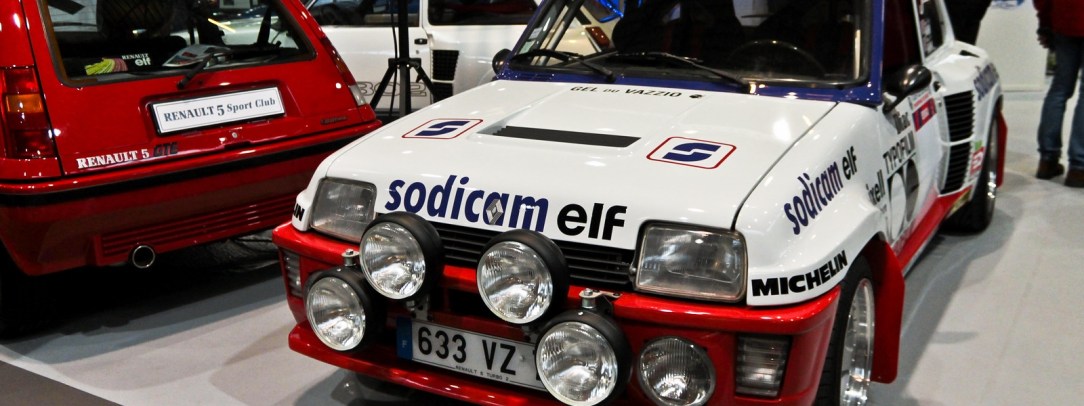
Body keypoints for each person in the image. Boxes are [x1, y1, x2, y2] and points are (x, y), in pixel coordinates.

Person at [1034, 0, 1084, 187]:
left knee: (1059, 89)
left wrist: (1045, 22)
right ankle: (1079, 166)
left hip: (1063, 21)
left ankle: (1047, 159)